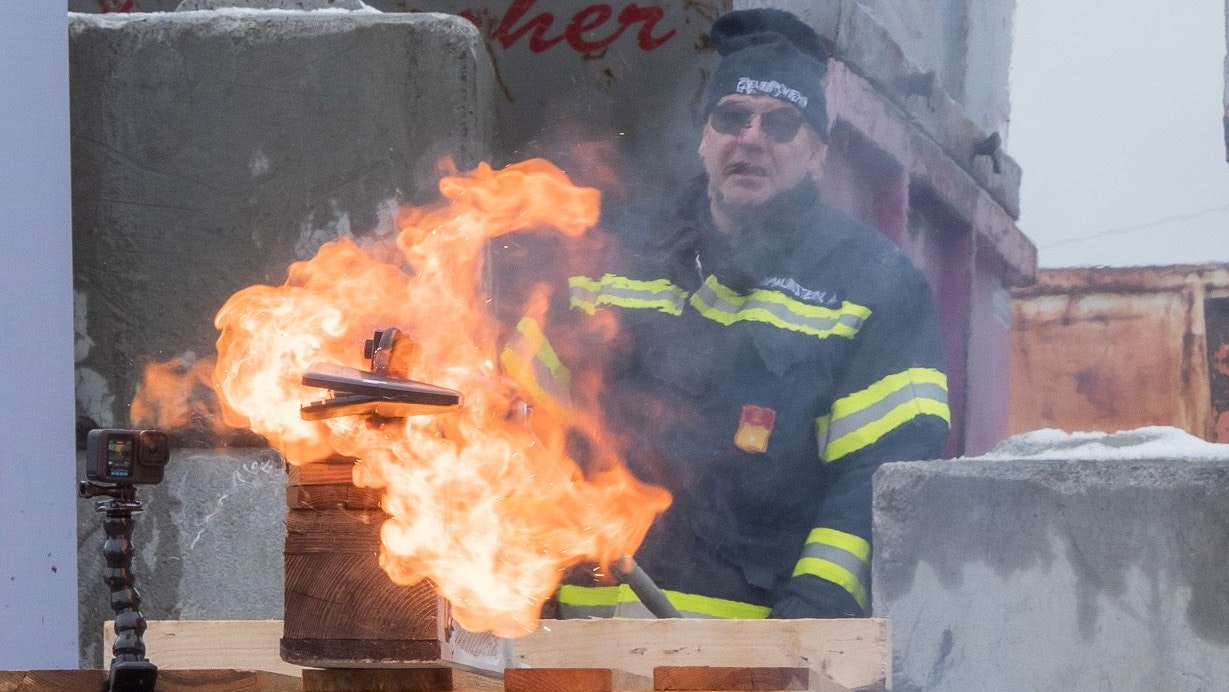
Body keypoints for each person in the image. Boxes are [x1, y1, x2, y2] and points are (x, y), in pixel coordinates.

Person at [509, 8, 951, 620]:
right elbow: (519, 406)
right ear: (705, 137)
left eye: (781, 123)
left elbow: (880, 476)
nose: (751, 137)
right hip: (577, 643)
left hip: (742, 655)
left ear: (817, 150)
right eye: (732, 116)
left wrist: (812, 613)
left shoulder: (872, 283)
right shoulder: (610, 251)